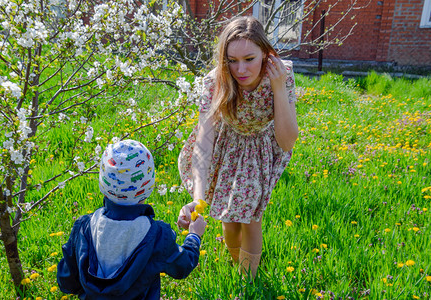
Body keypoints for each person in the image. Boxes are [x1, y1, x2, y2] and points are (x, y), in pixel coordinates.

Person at [177, 16, 298, 278]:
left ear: (265, 53)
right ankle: (236, 268)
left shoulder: (281, 75)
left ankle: (249, 281)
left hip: (259, 148)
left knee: (251, 219)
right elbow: (204, 140)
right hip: (226, 146)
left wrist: (277, 88)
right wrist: (197, 199)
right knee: (228, 220)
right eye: (232, 60)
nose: (240, 69)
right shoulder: (216, 81)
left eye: (249, 59)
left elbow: (287, 141)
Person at [57, 140, 207, 299]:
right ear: (149, 184)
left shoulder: (84, 227)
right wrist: (194, 236)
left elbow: (66, 282)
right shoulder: (156, 235)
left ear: (103, 182)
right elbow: (183, 266)